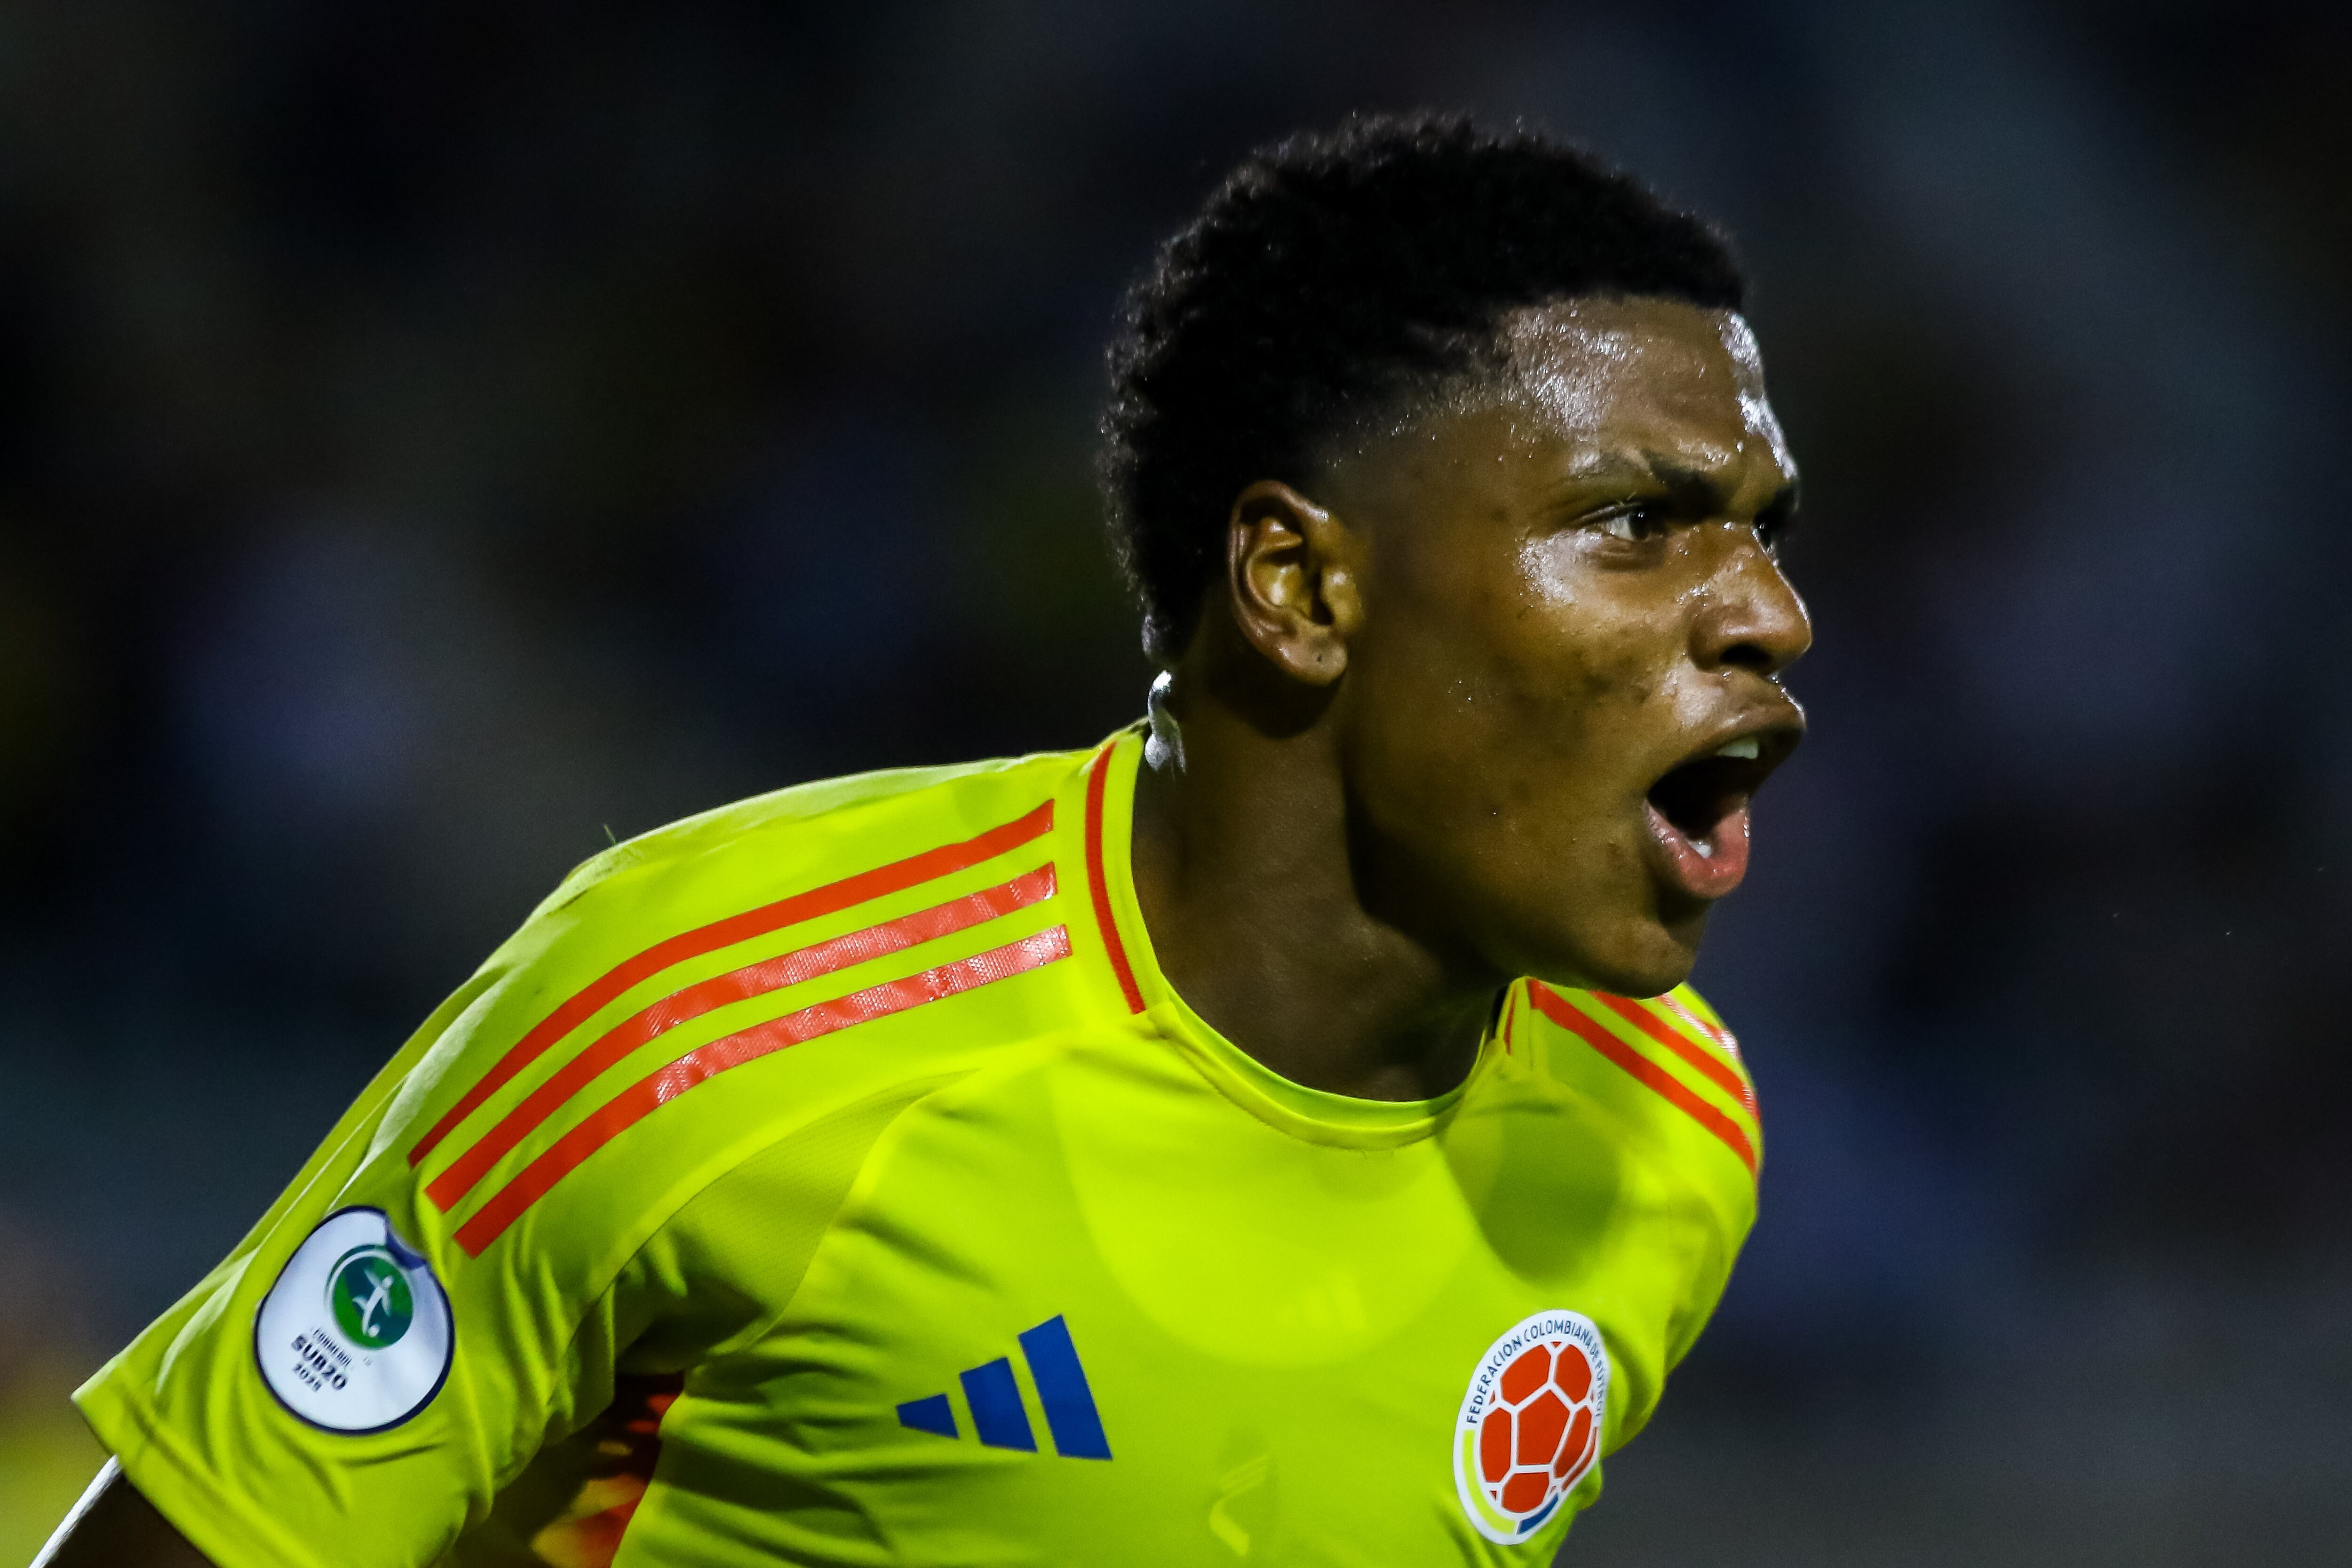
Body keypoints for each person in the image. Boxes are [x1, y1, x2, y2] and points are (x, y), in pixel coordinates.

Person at [40, 111, 1809, 1566]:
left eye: (1762, 532)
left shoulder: (1667, 1139)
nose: (1770, 615)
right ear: (1297, 587)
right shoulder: (717, 1015)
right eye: (1638, 522)